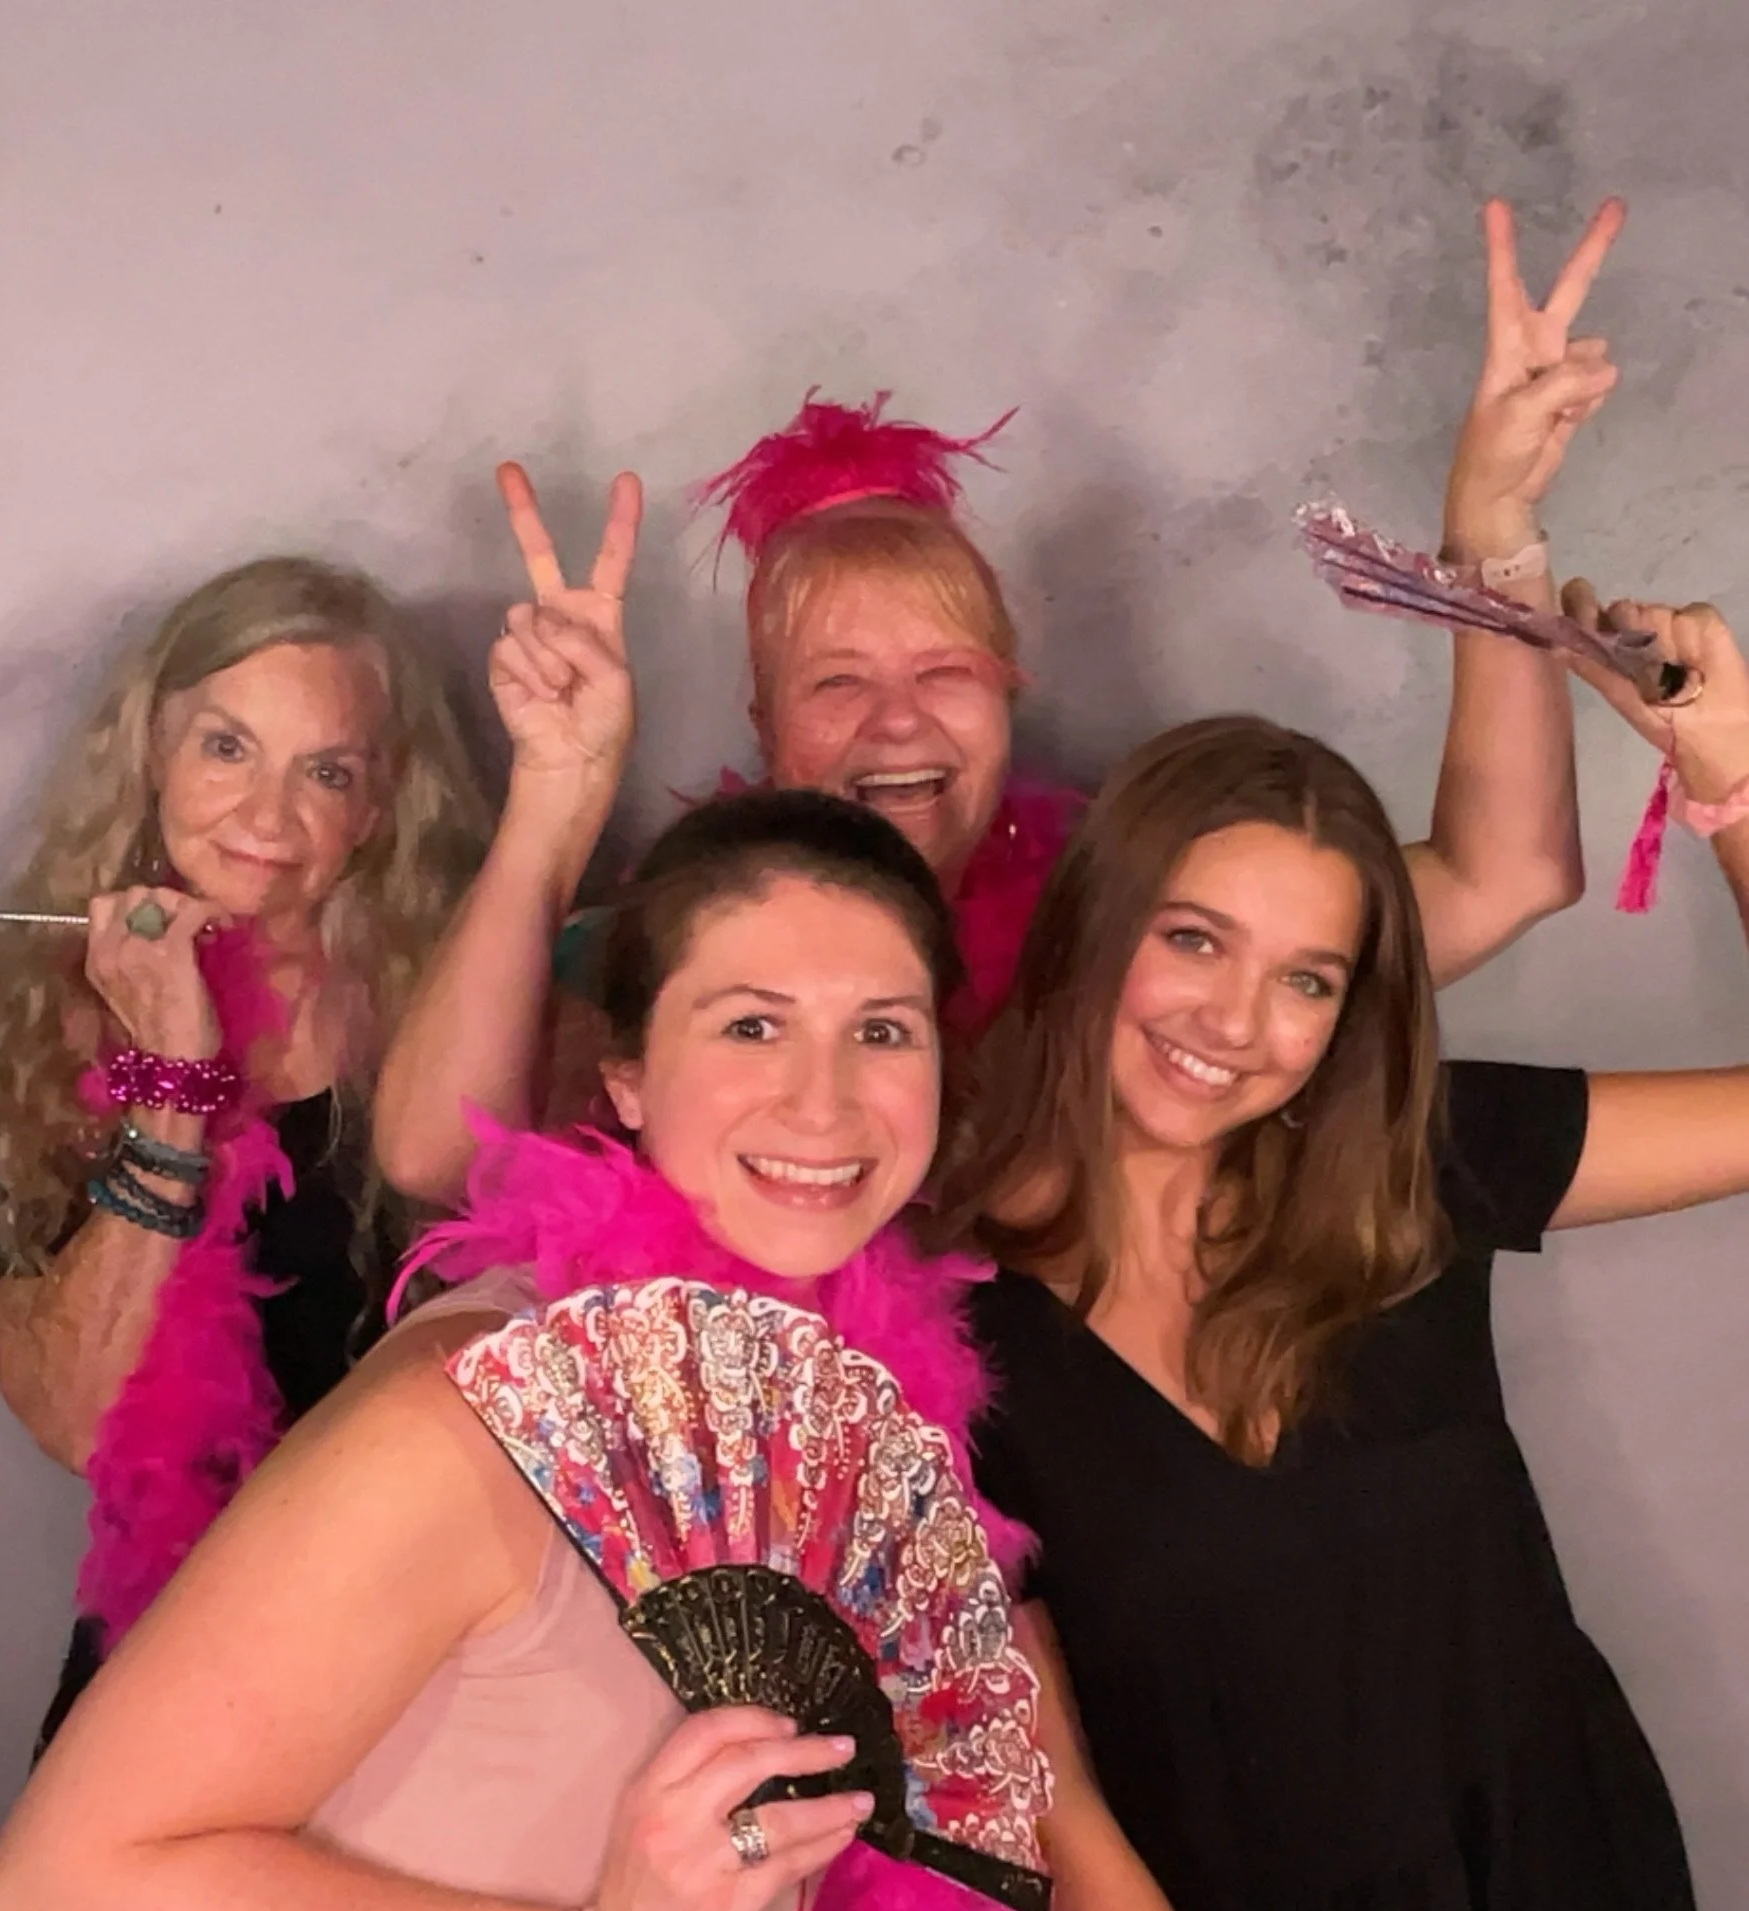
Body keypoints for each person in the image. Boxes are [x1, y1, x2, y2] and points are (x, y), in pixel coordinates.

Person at [0, 790, 1130, 1911]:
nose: (823, 1100)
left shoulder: (818, 1416)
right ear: (626, 1075)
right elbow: (56, 1905)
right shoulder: (474, 1413)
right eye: (751, 1023)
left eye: (881, 1031)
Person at [373, 196, 1625, 1238]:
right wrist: (557, 787)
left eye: (945, 670)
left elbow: (1502, 870)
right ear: (762, 719)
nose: (898, 723)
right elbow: (437, 1150)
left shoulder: (1134, 930)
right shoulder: (688, 944)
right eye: (836, 680)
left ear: (1008, 690)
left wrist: (1490, 536)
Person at [941, 591, 1749, 1911]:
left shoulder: (1412, 1170)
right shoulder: (945, 1329)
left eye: (1305, 980)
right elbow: (1056, 1805)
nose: (1237, 1023)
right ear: (1095, 923)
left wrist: (1735, 784)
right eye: (1194, 940)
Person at [0, 555, 489, 1911]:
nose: (264, 813)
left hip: (439, 1697)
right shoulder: (50, 1024)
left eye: (327, 771)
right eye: (226, 745)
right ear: (151, 747)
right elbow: (79, 1420)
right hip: (175, 1688)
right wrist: (171, 1093)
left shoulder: (459, 1012)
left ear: (378, 810)